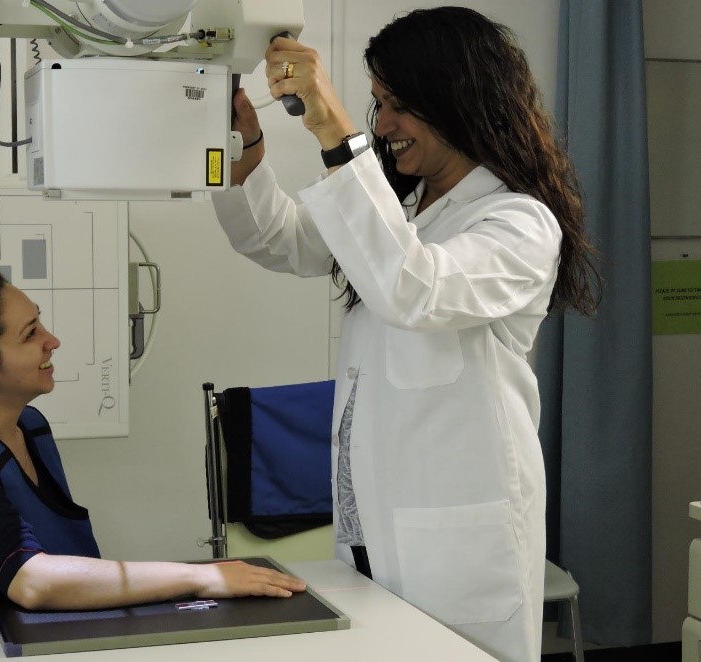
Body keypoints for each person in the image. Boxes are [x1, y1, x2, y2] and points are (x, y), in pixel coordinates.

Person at [211, 7, 600, 662]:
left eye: (398, 106)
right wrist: (248, 145)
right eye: (375, 105)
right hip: (375, 526)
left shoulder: (517, 222)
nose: (382, 125)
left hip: (458, 547)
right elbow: (276, 238)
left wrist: (335, 131)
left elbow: (412, 289)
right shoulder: (403, 208)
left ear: (462, 102)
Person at [0, 269, 305, 611]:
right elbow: (32, 580)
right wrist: (200, 578)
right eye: (31, 335)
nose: (53, 341)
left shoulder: (29, 426)